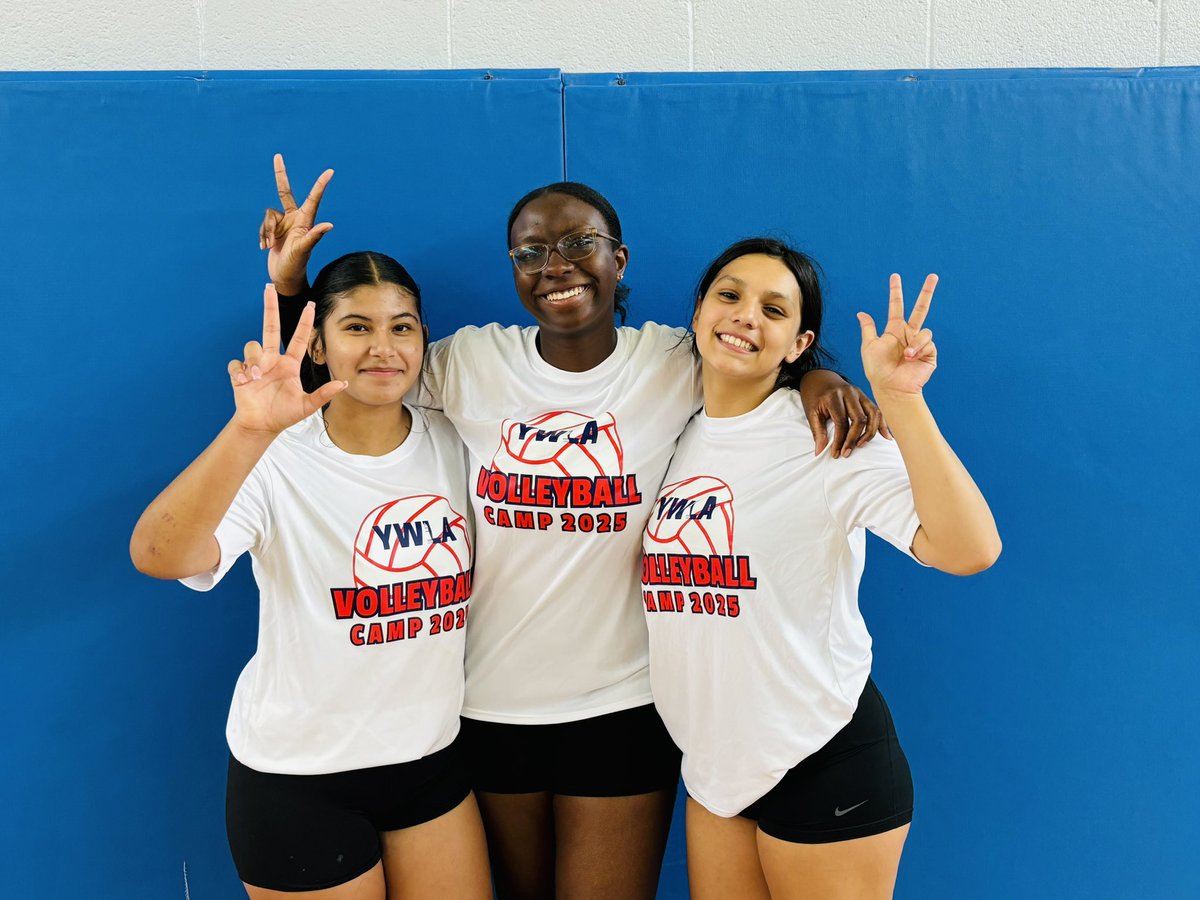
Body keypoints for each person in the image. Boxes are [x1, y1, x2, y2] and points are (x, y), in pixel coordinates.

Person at [260, 159, 885, 900]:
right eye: (530, 252)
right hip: (489, 706)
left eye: (578, 243)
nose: (555, 266)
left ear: (618, 259)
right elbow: (340, 375)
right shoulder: (468, 362)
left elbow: (752, 360)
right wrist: (291, 286)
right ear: (514, 269)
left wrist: (819, 376)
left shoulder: (673, 359)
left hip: (622, 706)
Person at [641, 238, 1002, 899]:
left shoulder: (828, 435)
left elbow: (968, 549)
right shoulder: (670, 427)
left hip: (822, 754)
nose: (746, 315)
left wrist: (900, 400)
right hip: (717, 770)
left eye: (773, 309)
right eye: (730, 295)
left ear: (799, 342)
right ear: (697, 314)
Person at [130, 253, 491, 899]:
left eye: (402, 327)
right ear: (319, 344)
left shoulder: (458, 440)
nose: (383, 347)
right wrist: (248, 431)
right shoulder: (277, 458)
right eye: (357, 328)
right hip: (298, 778)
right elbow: (160, 555)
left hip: (430, 765)